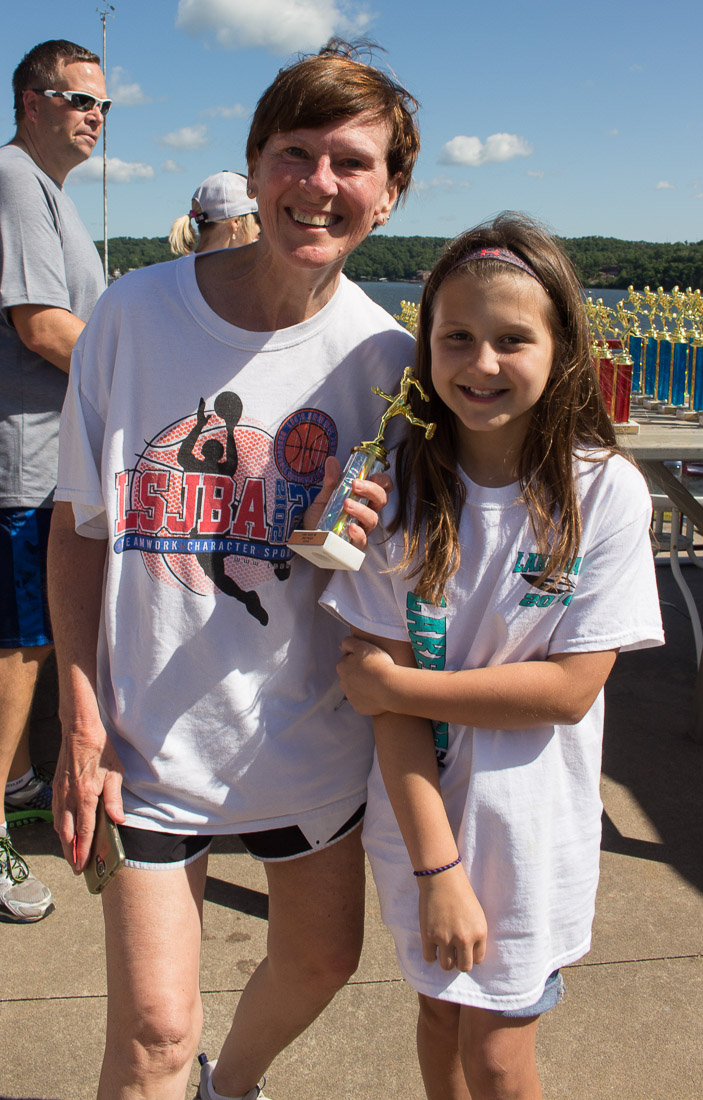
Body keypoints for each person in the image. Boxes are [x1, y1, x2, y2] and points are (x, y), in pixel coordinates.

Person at [48, 40, 419, 1100]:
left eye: (352, 163)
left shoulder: (389, 363)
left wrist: (374, 540)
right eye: (294, 152)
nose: (318, 184)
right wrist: (80, 717)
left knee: (321, 961)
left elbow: (412, 580)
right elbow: (79, 527)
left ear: (390, 193)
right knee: (153, 1032)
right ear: (253, 168)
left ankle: (233, 1085)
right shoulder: (133, 316)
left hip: (305, 741)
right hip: (146, 746)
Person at [323, 213, 664, 1100]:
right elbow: (387, 721)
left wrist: (399, 684)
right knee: (439, 1019)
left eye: (512, 339)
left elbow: (567, 688)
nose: (481, 363)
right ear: (425, 346)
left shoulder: (602, 492)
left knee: (500, 1055)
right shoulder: (395, 488)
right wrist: (437, 870)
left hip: (530, 835)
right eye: (456, 337)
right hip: (421, 829)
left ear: (561, 349)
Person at [0, 39, 107, 922]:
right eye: (79, 100)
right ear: (32, 102)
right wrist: (141, 382)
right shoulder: (14, 180)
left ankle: (17, 780)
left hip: (46, 459)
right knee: (19, 650)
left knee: (29, 643)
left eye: (104, 105)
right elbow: (40, 325)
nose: (95, 117)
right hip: (22, 464)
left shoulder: (49, 191)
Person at [169, 171, 260, 256]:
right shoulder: (250, 267)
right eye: (257, 220)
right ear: (235, 223)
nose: (260, 228)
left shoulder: (177, 267)